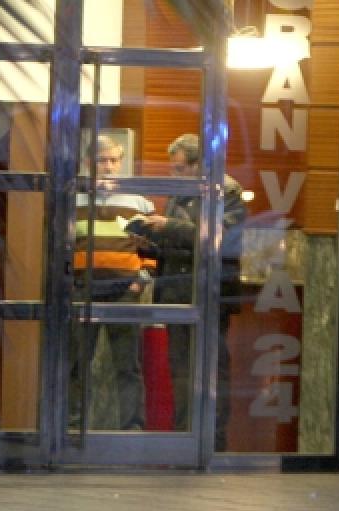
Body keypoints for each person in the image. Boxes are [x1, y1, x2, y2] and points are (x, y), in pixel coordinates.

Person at [143, 133, 247, 444]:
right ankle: (184, 439)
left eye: (178, 169)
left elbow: (218, 237)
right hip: (178, 292)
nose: (173, 175)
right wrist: (149, 243)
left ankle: (211, 441)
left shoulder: (226, 190)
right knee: (181, 371)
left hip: (208, 294)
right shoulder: (181, 193)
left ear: (198, 165)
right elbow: (177, 241)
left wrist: (169, 227)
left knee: (211, 371)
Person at [70, 134, 156, 431]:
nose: (108, 167)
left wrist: (140, 281)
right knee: (77, 364)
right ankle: (71, 425)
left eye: (114, 161)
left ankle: (132, 427)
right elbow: (60, 246)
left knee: (127, 365)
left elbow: (152, 248)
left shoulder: (138, 201)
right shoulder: (74, 199)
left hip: (124, 290)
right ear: (87, 164)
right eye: (102, 161)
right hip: (83, 290)